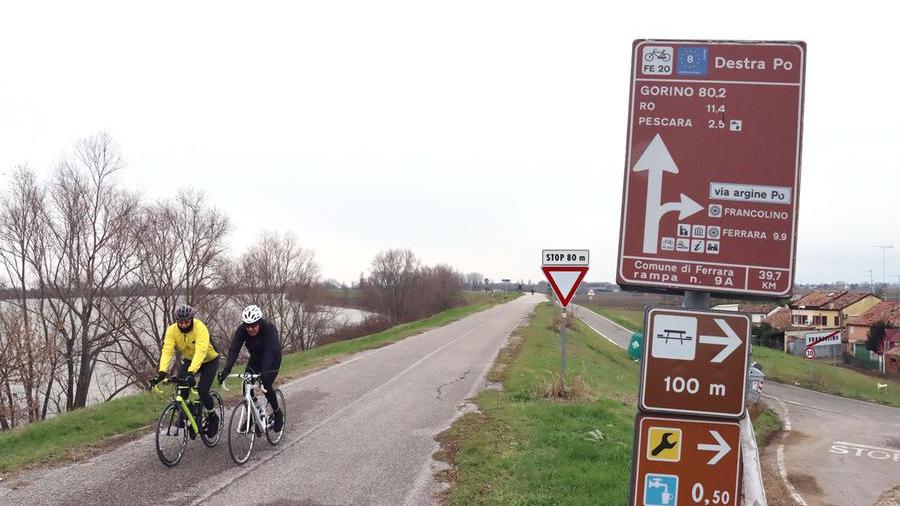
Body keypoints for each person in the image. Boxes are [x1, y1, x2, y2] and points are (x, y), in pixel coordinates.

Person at [149, 303, 221, 437]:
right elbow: (167, 351)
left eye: (186, 322)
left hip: (209, 359)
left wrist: (191, 372)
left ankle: (213, 417)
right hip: (189, 359)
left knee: (202, 390)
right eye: (180, 322)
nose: (183, 325)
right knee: (181, 387)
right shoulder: (172, 330)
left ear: (191, 319)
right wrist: (162, 372)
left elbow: (201, 351)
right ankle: (187, 413)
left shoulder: (200, 328)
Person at [218, 304, 284, 432]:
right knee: (246, 386)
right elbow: (234, 349)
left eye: (253, 326)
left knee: (266, 384)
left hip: (272, 359)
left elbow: (270, 351)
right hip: (255, 359)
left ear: (259, 323)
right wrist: (227, 369)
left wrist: (264, 372)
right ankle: (253, 414)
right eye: (247, 326)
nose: (250, 329)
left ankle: (277, 413)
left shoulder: (269, 328)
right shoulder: (242, 330)